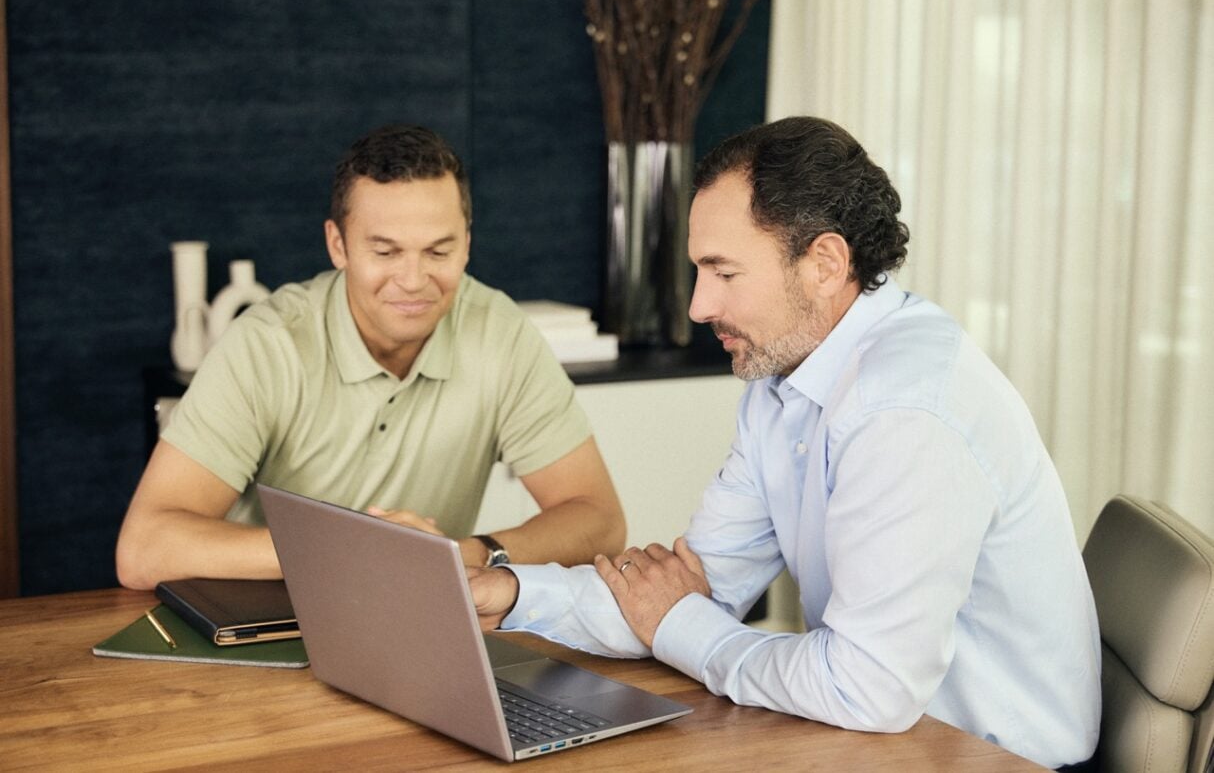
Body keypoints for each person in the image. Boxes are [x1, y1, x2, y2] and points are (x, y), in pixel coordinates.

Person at [470, 117, 1101, 769]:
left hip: (998, 759)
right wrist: (510, 592)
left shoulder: (905, 411)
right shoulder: (783, 382)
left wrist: (684, 625)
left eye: (723, 273)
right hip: (885, 743)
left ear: (825, 264)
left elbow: (865, 686)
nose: (698, 306)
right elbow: (693, 586)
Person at [116, 124, 625, 590]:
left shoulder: (501, 333)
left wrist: (465, 554)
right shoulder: (268, 344)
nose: (413, 280)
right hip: (264, 615)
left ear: (467, 245)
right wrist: (351, 549)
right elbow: (143, 549)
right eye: (385, 252)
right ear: (337, 245)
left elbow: (599, 520)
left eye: (438, 251)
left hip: (416, 608)